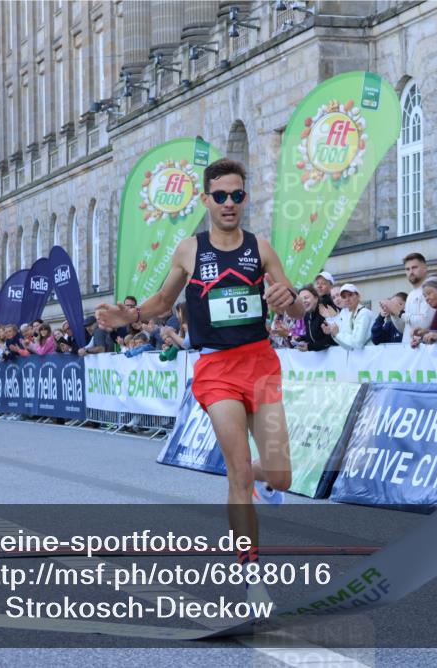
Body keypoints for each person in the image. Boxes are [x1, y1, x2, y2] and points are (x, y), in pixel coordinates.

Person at [96, 157, 303, 607]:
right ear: (206, 199)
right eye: (222, 195)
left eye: (238, 195)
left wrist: (290, 301)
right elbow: (162, 302)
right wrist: (128, 316)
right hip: (216, 369)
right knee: (236, 468)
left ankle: (257, 481)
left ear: (245, 199)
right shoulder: (190, 250)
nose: (230, 203)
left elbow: (294, 308)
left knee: (282, 477)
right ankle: (252, 578)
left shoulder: (261, 248)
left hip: (262, 365)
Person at [391, 252, 435, 344]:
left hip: (425, 350)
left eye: (414, 267)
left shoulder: (432, 290)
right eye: (407, 269)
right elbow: (405, 328)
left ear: (424, 268)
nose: (411, 272)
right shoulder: (410, 295)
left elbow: (425, 323)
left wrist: (400, 313)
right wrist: (394, 314)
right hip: (409, 351)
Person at [323, 284, 374, 350]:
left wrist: (337, 334)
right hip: (360, 356)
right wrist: (334, 334)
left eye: (350, 295)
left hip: (370, 355)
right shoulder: (348, 314)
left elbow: (357, 343)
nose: (347, 299)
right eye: (344, 297)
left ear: (358, 296)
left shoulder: (363, 313)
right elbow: (348, 346)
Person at [293, 286, 336, 352]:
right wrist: (300, 339)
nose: (304, 301)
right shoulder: (307, 315)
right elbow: (312, 337)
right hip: (320, 358)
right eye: (301, 300)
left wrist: (310, 347)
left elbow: (331, 339)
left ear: (316, 298)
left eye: (306, 298)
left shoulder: (325, 311)